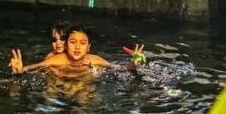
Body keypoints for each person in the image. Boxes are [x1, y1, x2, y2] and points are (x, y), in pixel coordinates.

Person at [9, 24, 144, 76]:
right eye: (73, 42)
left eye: (82, 43)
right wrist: (21, 69)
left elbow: (118, 68)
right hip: (62, 86)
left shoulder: (94, 59)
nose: (77, 47)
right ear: (66, 46)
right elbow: (36, 66)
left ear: (88, 47)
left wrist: (133, 65)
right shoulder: (59, 59)